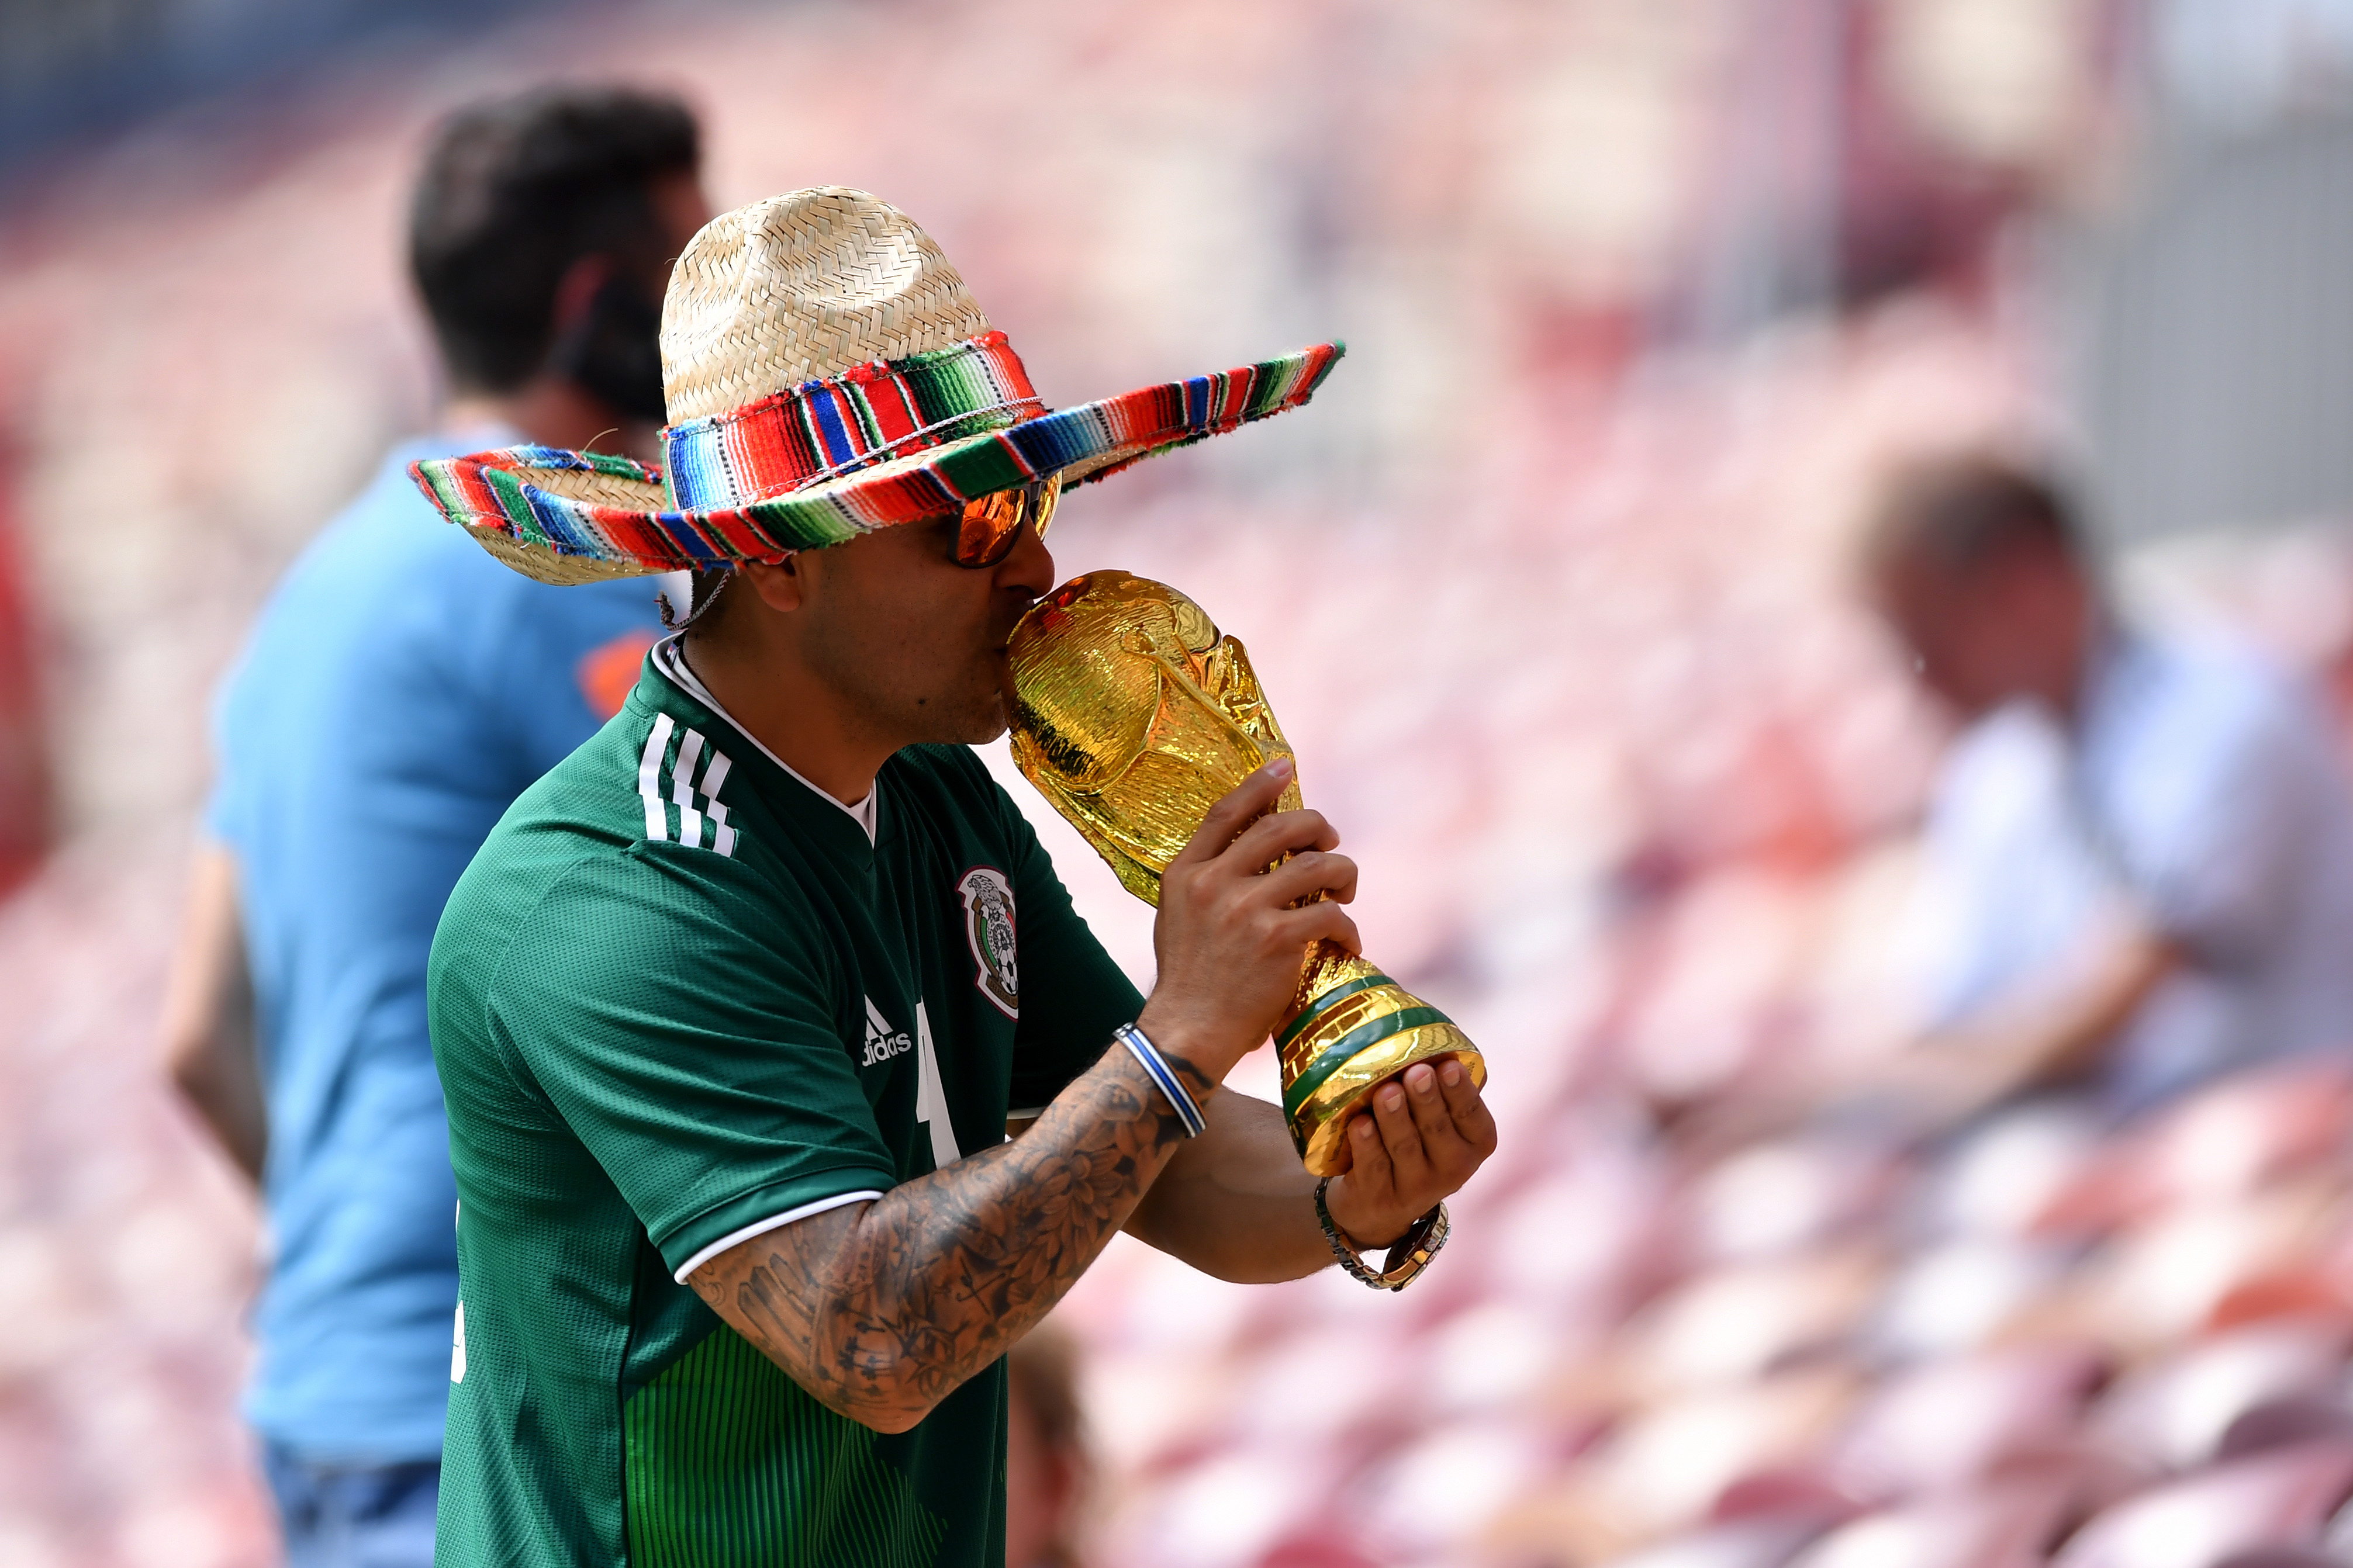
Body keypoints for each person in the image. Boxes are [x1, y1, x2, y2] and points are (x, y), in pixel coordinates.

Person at [409, 186, 1496, 1567]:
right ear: (781, 561)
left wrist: (1366, 1172)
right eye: (969, 524)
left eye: (1030, 501)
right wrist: (1183, 1034)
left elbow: (1167, 1168)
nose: (1038, 564)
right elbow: (872, 1335)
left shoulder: (932, 794)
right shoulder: (608, 892)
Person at [157, 85, 710, 1566]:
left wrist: (373, 1260)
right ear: (600, 305)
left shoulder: (309, 599)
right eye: (698, 274)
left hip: (335, 1400)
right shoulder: (563, 558)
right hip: (510, 1429)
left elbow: (201, 1036)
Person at [1861, 454, 2353, 1123]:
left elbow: (2097, 1017)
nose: (1920, 678)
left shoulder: (2220, 713)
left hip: (2281, 1128)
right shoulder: (1998, 768)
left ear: (2026, 586)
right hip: (2124, 1140)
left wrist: (1883, 1104)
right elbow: (1951, 1010)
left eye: (1929, 638)